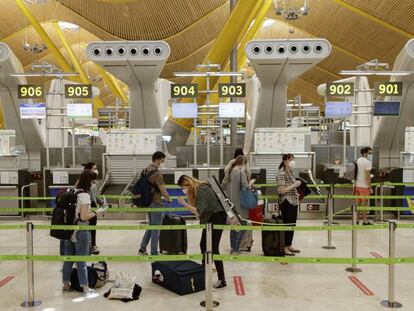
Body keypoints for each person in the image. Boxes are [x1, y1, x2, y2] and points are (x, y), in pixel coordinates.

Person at [177, 175, 227, 291]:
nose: (183, 190)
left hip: (217, 218)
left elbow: (199, 212)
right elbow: (199, 208)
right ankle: (206, 272)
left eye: (183, 187)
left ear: (188, 184)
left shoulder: (202, 190)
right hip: (211, 218)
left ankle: (222, 279)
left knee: (214, 249)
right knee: (203, 245)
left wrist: (184, 204)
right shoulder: (199, 190)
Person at [62, 170, 104, 295]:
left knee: (68, 259)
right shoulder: (85, 196)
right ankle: (85, 288)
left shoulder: (72, 192)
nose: (95, 183)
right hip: (81, 231)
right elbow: (84, 216)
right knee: (82, 260)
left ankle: (65, 285)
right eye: (93, 181)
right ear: (89, 182)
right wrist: (97, 213)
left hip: (69, 230)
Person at [138, 151, 172, 256]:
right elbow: (162, 189)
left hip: (147, 202)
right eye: (162, 160)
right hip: (156, 202)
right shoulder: (157, 173)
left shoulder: (145, 170)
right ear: (158, 159)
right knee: (156, 228)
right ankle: (154, 252)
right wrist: (169, 199)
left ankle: (142, 249)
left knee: (152, 226)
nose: (162, 162)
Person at [222, 155, 250, 255]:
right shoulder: (241, 172)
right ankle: (236, 249)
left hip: (230, 204)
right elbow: (245, 186)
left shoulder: (229, 172)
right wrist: (250, 183)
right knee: (240, 226)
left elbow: (223, 186)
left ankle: (233, 247)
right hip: (240, 205)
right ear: (243, 163)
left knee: (234, 227)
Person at [277, 154, 302, 256]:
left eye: (293, 159)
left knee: (292, 225)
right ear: (285, 161)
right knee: (286, 225)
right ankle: (284, 247)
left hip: (294, 201)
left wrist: (296, 192)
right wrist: (294, 185)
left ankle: (289, 244)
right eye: (290, 160)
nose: (292, 161)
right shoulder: (281, 174)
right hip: (286, 202)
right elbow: (281, 191)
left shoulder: (290, 172)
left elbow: (291, 187)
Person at [81, 162, 102, 254]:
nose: (96, 170)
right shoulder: (83, 181)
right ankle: (87, 245)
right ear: (88, 170)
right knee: (86, 227)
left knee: (93, 227)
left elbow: (94, 195)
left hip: (93, 205)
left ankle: (93, 245)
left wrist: (100, 201)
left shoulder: (93, 182)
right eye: (94, 168)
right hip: (86, 205)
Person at [355, 147, 374, 225]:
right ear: (365, 153)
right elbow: (367, 176)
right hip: (364, 186)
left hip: (356, 185)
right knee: (364, 204)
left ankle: (356, 220)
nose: (370, 155)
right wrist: (370, 187)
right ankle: (365, 221)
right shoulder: (367, 162)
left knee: (357, 203)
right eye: (369, 153)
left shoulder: (358, 160)